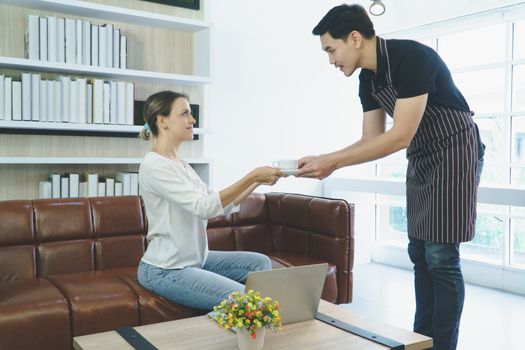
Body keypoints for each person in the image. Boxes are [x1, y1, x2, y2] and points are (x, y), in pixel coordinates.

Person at [297, 4, 484, 350]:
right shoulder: (368, 79)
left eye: (330, 50)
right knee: (419, 253)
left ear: (354, 39)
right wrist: (326, 158)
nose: (331, 60)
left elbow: (399, 136)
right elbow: (371, 140)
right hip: (424, 155)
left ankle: (443, 345)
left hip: (456, 150)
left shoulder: (412, 58)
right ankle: (419, 341)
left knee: (441, 257)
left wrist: (333, 163)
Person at [137, 90, 286, 311]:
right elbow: (202, 208)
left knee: (260, 263)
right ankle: (252, 319)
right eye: (185, 113)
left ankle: (256, 320)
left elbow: (220, 206)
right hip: (166, 269)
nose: (193, 119)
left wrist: (258, 182)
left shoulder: (181, 164)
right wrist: (252, 175)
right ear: (162, 121)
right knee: (247, 301)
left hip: (196, 259)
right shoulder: (154, 165)